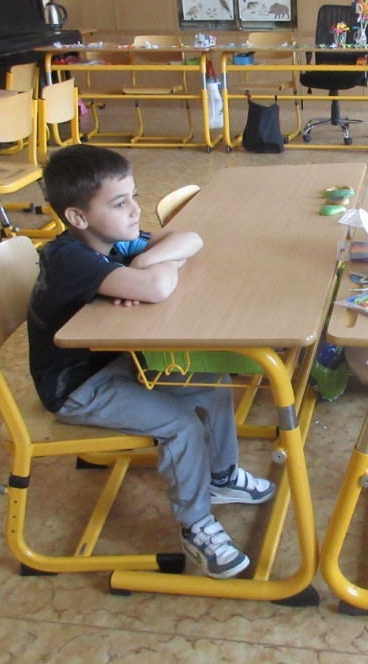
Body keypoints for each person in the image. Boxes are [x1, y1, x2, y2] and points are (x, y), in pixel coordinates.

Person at [28, 144, 275, 579]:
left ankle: (220, 477)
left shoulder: (114, 240)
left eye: (134, 197)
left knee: (211, 379)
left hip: (118, 362)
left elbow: (192, 240)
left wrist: (144, 262)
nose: (135, 210)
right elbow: (158, 289)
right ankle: (195, 524)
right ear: (78, 217)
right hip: (78, 388)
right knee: (180, 426)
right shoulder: (69, 258)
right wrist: (152, 274)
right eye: (119, 203)